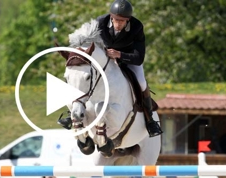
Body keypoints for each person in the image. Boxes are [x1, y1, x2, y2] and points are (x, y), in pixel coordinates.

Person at [58, 0, 163, 137]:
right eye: (116, 20)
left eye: (123, 21)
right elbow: (87, 43)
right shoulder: (100, 22)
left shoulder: (137, 27)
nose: (119, 24)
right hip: (105, 60)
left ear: (128, 20)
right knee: (82, 76)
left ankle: (150, 120)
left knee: (142, 82)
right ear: (111, 17)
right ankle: (72, 113)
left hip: (128, 60)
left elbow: (139, 57)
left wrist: (120, 55)